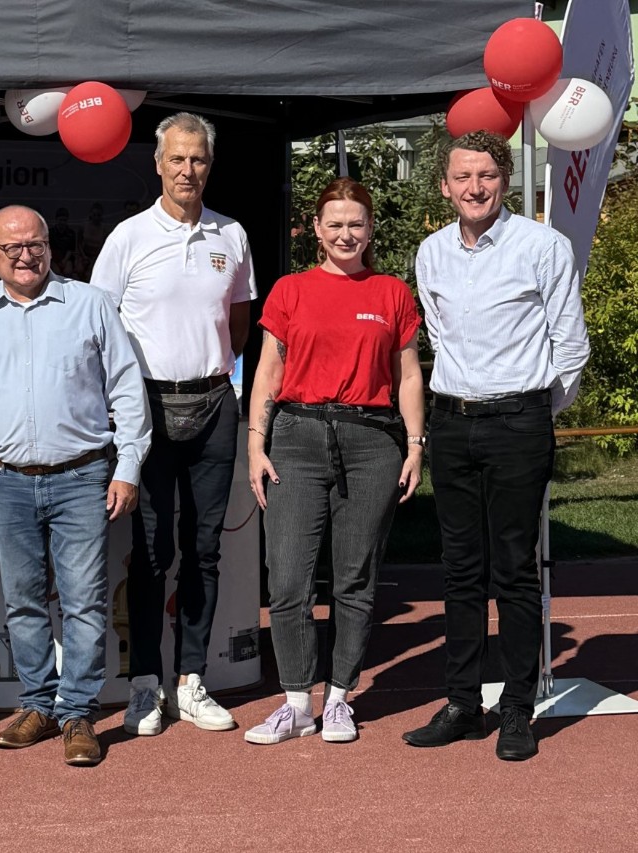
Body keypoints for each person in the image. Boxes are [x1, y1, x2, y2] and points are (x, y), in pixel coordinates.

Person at [403, 130, 589, 761]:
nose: (474, 188)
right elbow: (440, 337)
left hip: (519, 424)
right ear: (445, 185)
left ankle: (515, 709)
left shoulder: (542, 246)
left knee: (512, 570)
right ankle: (462, 703)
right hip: (452, 422)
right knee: (459, 570)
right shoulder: (431, 253)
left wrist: (529, 409)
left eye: (486, 176)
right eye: (463, 177)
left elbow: (570, 347)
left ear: (505, 181)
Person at [0, 205, 150, 767]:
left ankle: (77, 713)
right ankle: (38, 704)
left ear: (49, 248)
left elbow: (128, 391)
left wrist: (127, 466)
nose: (25, 256)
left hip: (82, 476)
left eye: (34, 244)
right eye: (11, 249)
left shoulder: (90, 305)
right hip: (3, 481)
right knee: (23, 602)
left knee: (84, 603)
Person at [91, 112, 256, 736]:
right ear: (158, 165)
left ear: (210, 166)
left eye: (200, 160)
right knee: (152, 552)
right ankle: (144, 686)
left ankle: (192, 680)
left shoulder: (232, 235)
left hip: (216, 405)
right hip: (147, 413)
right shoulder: (128, 238)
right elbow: (100, 333)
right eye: (178, 159)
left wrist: (213, 376)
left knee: (205, 551)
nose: (189, 170)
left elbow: (237, 328)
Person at [244, 177, 425, 745]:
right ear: (317, 231)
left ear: (369, 229)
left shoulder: (392, 293)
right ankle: (297, 702)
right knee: (290, 577)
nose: (346, 234)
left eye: (356, 223)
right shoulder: (289, 291)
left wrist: (417, 444)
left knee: (355, 578)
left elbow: (410, 375)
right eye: (335, 224)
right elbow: (269, 373)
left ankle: (341, 697)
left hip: (372, 440)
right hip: (296, 436)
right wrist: (256, 442)